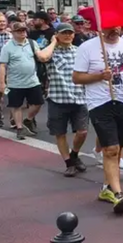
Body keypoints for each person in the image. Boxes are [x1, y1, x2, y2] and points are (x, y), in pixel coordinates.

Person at [74, 25, 123, 215]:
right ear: (101, 28)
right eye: (109, 28)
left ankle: (107, 188)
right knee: (110, 149)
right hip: (100, 102)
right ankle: (118, 195)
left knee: (117, 148)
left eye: (117, 28)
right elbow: (77, 77)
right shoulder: (87, 47)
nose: (114, 32)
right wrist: (99, 76)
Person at [36, 23, 89, 177]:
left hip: (79, 98)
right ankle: (68, 163)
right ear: (57, 35)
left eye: (70, 33)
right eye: (64, 33)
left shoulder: (79, 51)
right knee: (60, 133)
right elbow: (42, 57)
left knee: (82, 131)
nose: (68, 36)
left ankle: (74, 154)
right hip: (57, 98)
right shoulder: (51, 51)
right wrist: (53, 42)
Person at [0, 21, 45, 140]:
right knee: (16, 105)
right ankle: (19, 128)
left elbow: (40, 56)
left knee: (38, 103)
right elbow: (2, 65)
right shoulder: (7, 47)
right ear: (13, 33)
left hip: (33, 80)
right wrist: (2, 83)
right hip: (15, 82)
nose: (22, 32)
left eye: (24, 30)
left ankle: (28, 120)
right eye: (19, 31)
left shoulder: (32, 43)